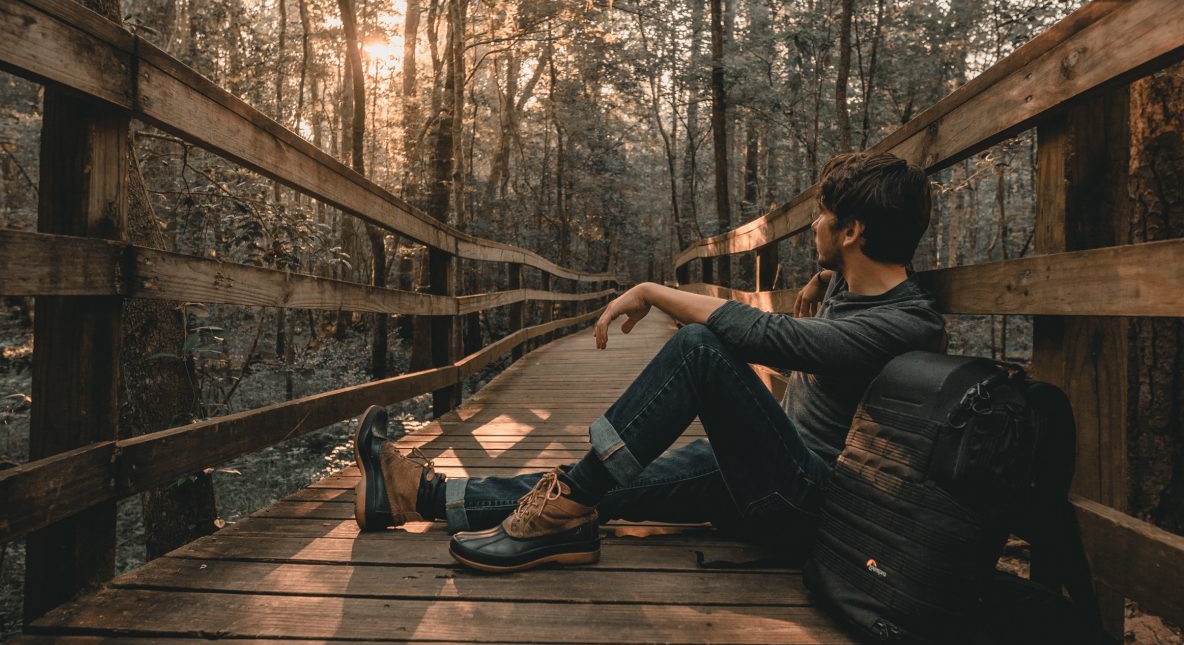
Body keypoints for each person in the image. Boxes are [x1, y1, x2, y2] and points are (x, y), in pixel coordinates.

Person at [352, 151, 946, 574]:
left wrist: (658, 291)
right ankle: (418, 497)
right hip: (766, 467)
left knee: (699, 349)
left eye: (825, 217)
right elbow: (845, 292)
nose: (814, 224)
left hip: (809, 506)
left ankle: (556, 513)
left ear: (853, 231)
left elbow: (769, 336)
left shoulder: (905, 326)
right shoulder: (857, 284)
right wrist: (824, 275)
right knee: (608, 481)